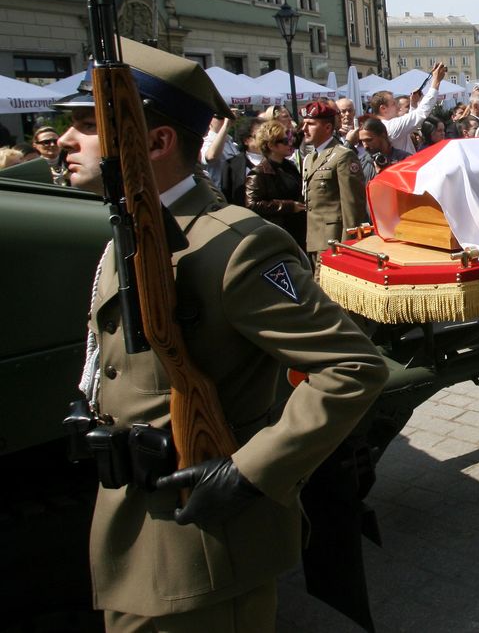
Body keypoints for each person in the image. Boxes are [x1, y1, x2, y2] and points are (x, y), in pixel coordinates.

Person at [53, 38, 387, 631]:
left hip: (202, 541)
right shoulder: (130, 231)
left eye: (87, 125)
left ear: (155, 141)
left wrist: (250, 472)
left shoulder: (234, 246)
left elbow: (352, 368)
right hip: (132, 526)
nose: (62, 141)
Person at [300, 100, 368, 260]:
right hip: (315, 241)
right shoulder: (310, 158)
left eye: (310, 124)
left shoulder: (343, 156)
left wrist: (348, 247)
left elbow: (352, 207)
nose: (304, 129)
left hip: (335, 243)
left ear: (327, 127)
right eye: (304, 124)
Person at [244, 118, 307, 250]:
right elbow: (252, 205)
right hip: (280, 232)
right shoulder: (258, 173)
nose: (290, 143)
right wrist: (288, 206)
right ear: (271, 145)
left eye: (289, 139)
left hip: (299, 228)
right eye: (284, 141)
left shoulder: (289, 166)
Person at [368, 61, 446, 154]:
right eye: (393, 104)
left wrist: (413, 103)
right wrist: (436, 82)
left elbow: (412, 124)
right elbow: (420, 114)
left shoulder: (383, 125)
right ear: (383, 108)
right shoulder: (389, 126)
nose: (397, 107)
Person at [357, 117, 412, 182]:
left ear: (383, 135)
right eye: (362, 141)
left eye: (369, 140)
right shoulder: (361, 162)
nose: (365, 146)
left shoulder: (406, 160)